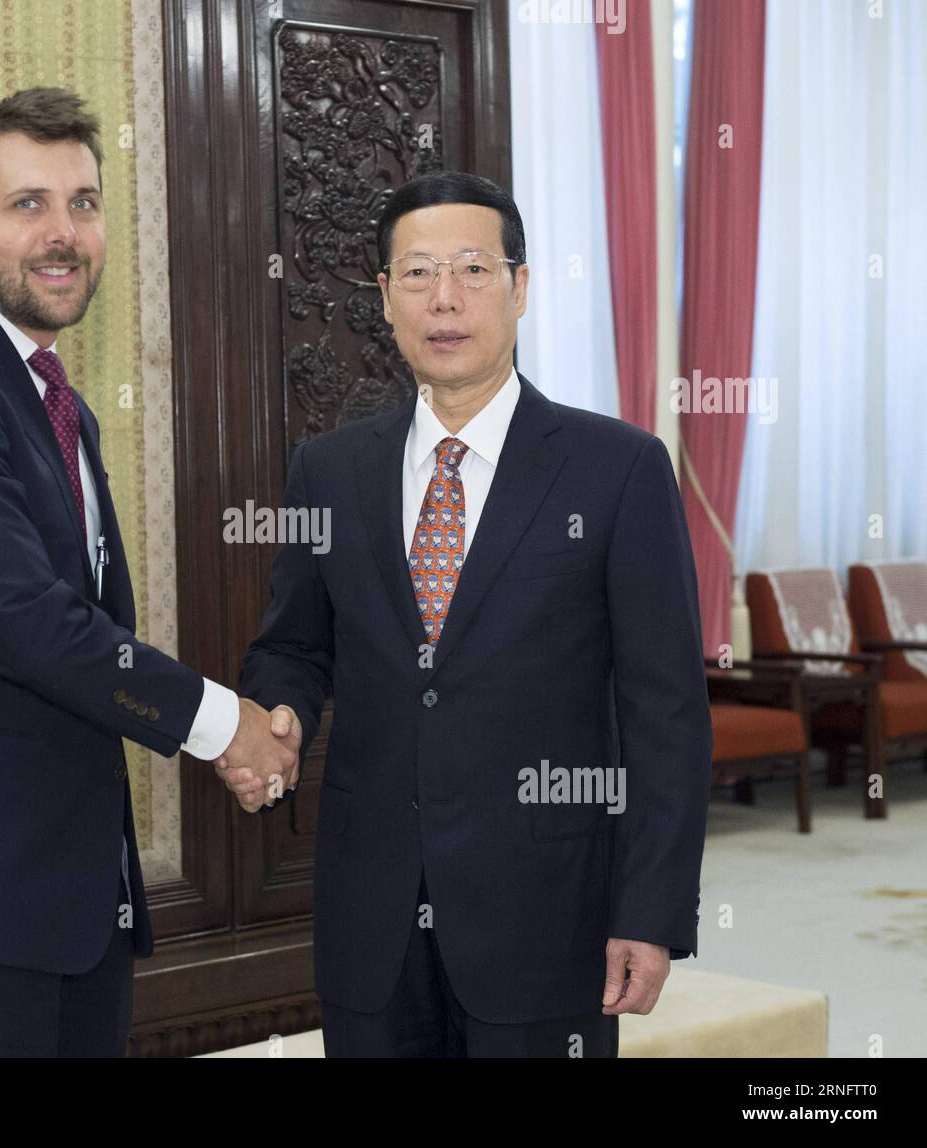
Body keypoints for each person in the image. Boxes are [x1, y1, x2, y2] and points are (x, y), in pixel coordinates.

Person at [0, 87, 295, 1058]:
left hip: (68, 900)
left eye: (83, 202)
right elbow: (30, 624)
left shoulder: (46, 396)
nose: (63, 233)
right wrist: (224, 724)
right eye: (27, 203)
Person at [216, 170, 712, 1057]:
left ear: (519, 287)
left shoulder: (618, 469)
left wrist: (652, 911)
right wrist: (280, 713)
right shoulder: (329, 471)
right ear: (384, 297)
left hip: (547, 916)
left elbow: (666, 712)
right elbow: (293, 645)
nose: (444, 299)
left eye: (473, 270)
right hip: (372, 915)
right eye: (417, 273)